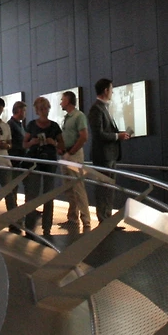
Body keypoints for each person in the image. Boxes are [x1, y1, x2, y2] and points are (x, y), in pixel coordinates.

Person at [88, 78, 131, 222]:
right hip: (103, 156)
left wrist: (119, 135)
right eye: (111, 89)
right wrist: (117, 136)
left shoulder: (104, 108)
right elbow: (98, 134)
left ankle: (108, 220)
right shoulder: (96, 109)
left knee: (110, 189)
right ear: (106, 90)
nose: (112, 92)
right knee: (103, 189)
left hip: (110, 155)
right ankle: (103, 219)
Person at [23, 97, 63, 234]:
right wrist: (32, 142)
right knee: (32, 193)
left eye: (45, 108)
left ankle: (47, 226)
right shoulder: (31, 125)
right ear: (37, 110)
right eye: (40, 109)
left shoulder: (54, 126)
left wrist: (53, 143)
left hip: (49, 161)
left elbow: (62, 146)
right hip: (35, 161)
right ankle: (29, 225)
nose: (43, 111)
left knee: (49, 194)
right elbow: (25, 144)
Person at [59, 90, 90, 231]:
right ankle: (72, 218)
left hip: (74, 155)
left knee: (78, 188)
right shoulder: (67, 117)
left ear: (68, 101)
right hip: (66, 154)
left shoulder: (79, 116)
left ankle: (86, 220)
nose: (61, 102)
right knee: (69, 188)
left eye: (62, 100)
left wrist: (71, 152)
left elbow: (84, 137)